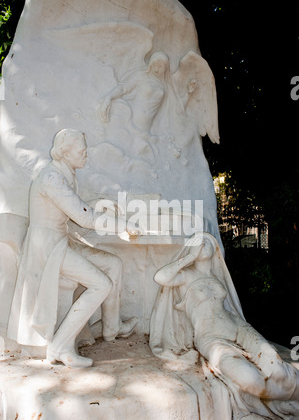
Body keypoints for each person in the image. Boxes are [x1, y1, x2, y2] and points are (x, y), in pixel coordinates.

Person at [7, 129, 139, 368]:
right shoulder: (51, 179)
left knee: (113, 264)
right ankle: (59, 347)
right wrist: (123, 225)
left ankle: (112, 328)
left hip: (60, 240)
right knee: (101, 283)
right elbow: (84, 218)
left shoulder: (65, 174)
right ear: (66, 153)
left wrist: (98, 206)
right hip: (48, 248)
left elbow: (74, 210)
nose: (86, 155)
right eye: (82, 151)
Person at [150, 232, 299, 401]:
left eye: (208, 242)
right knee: (251, 380)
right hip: (210, 336)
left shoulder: (218, 277)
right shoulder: (186, 276)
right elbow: (160, 277)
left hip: (237, 327)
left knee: (278, 369)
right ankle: (278, 396)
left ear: (215, 249)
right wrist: (188, 257)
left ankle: (289, 393)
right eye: (199, 242)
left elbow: (231, 306)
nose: (203, 244)